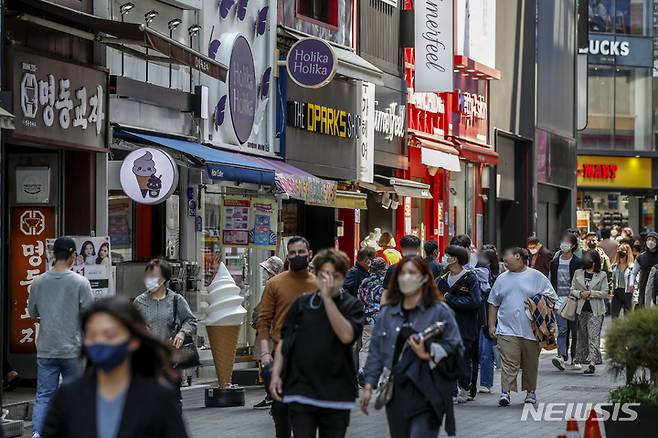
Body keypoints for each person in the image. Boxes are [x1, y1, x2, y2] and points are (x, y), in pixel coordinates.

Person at [42, 297, 188, 438]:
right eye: (91, 335)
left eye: (109, 334)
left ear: (133, 340)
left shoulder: (159, 397)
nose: (99, 341)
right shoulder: (69, 395)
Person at [361, 256, 463, 438]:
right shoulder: (388, 312)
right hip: (397, 391)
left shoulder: (439, 311)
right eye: (402, 273)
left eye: (412, 273)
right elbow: (376, 350)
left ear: (424, 278)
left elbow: (456, 347)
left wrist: (428, 353)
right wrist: (369, 385)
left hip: (429, 389)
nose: (406, 278)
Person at [270, 249, 364, 438]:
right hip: (301, 387)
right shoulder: (302, 304)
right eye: (324, 274)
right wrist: (276, 374)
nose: (328, 280)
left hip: (337, 390)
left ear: (343, 277)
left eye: (334, 275)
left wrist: (328, 300)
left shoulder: (352, 305)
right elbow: (285, 341)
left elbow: (347, 336)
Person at [28, 236, 94, 438]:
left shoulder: (38, 282)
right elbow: (90, 315)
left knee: (44, 395)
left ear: (52, 255)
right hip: (72, 349)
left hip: (46, 348)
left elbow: (32, 312)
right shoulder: (80, 282)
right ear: (73, 255)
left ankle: (38, 433)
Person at [258, 236, 318, 438]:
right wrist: (265, 353)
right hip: (281, 355)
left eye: (301, 252)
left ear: (309, 254)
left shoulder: (320, 284)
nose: (297, 256)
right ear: (287, 256)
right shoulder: (275, 284)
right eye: (292, 253)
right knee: (281, 408)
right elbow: (264, 320)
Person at [488, 247, 558, 406]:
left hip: (532, 331)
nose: (504, 260)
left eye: (507, 257)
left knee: (530, 363)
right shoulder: (501, 278)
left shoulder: (536, 276)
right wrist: (492, 325)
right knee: (508, 362)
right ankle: (505, 392)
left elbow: (552, 299)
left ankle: (530, 392)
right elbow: (493, 302)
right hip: (506, 329)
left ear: (518, 257)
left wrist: (537, 303)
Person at [436, 245, 481, 403]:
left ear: (454, 259)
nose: (444, 258)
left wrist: (450, 299)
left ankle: (464, 388)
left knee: (463, 358)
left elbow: (475, 301)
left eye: (447, 255)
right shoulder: (442, 279)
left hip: (465, 326)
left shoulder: (470, 278)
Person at [133, 259, 197, 349]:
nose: (149, 280)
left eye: (153, 276)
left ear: (163, 279)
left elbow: (191, 321)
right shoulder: (139, 301)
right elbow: (129, 326)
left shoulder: (177, 300)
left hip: (171, 354)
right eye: (147, 276)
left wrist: (182, 333)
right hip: (146, 355)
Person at [252, 255, 285, 410]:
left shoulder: (272, 285)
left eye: (266, 270)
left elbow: (263, 308)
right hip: (276, 329)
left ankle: (271, 395)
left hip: (270, 329)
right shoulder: (282, 284)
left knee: (268, 364)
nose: (264, 273)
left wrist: (256, 319)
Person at [549, 232, 583, 371]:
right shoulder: (555, 262)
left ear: (573, 245)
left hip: (573, 300)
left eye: (567, 241)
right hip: (559, 300)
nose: (564, 243)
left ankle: (576, 358)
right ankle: (561, 357)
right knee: (562, 330)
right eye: (563, 240)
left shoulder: (577, 262)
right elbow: (551, 279)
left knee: (575, 331)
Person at [571, 250, 608, 374]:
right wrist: (580, 293)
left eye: (589, 258)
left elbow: (605, 292)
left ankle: (592, 363)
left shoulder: (602, 274)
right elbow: (572, 289)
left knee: (593, 336)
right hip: (581, 309)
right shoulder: (578, 273)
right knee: (583, 336)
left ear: (594, 261)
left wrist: (591, 294)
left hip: (596, 311)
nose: (586, 260)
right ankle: (583, 358)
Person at [356, 257, 387, 384]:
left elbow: (359, 299)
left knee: (366, 346)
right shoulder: (385, 282)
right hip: (382, 318)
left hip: (367, 318)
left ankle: (362, 372)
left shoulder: (364, 281)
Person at [476, 245, 500, 393]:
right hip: (476, 316)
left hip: (489, 318)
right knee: (479, 351)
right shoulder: (473, 274)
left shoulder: (498, 278)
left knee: (486, 351)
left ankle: (485, 382)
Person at [630, 231, 658, 308]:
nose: (651, 241)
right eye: (649, 239)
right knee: (644, 308)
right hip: (644, 288)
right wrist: (631, 283)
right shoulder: (641, 257)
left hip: (657, 288)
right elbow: (634, 273)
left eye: (653, 239)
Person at [611, 244, 634, 318]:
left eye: (622, 250)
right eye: (619, 250)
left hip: (627, 293)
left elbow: (635, 282)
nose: (620, 252)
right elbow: (611, 280)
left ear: (627, 253)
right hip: (617, 292)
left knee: (628, 317)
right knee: (614, 316)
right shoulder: (614, 266)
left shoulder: (632, 267)